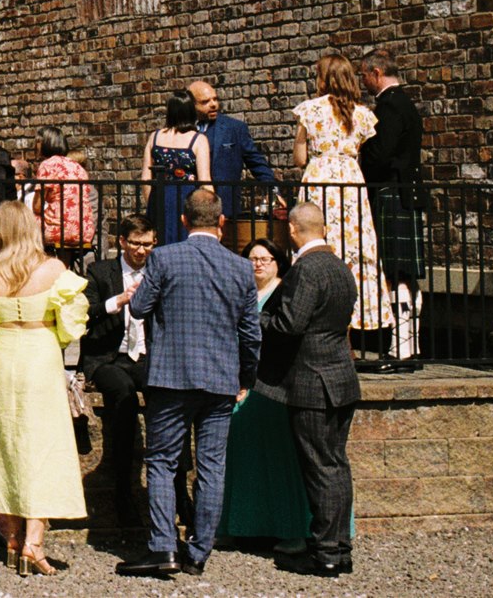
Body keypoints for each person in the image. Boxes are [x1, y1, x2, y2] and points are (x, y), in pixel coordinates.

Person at [114, 189, 261, 580]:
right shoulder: (241, 268)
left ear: (183, 220)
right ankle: (198, 552)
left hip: (171, 377)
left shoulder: (164, 257)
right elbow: (251, 334)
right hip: (219, 379)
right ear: (222, 222)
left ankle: (163, 546)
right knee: (212, 466)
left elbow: (141, 307)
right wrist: (245, 376)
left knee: (161, 462)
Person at [0, 200, 89, 575]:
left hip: (4, 356)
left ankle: (12, 536)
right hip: (40, 352)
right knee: (44, 446)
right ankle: (34, 541)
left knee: (5, 444)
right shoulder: (52, 269)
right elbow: (71, 323)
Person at [258, 202, 362, 579]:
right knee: (336, 464)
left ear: (293, 230)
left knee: (319, 467)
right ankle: (341, 548)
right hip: (341, 377)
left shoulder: (306, 269)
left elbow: (289, 324)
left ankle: (325, 552)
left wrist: (262, 316)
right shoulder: (340, 267)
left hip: (311, 381)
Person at [222, 238, 347, 552]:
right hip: (244, 386)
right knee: (244, 458)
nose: (259, 264)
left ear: (278, 262)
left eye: (265, 258)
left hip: (277, 385)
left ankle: (294, 528)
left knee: (289, 461)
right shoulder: (241, 293)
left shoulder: (286, 291)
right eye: (252, 258)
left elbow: (289, 331)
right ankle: (245, 526)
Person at [292, 53, 393, 334]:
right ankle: (356, 318)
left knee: (316, 240)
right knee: (355, 247)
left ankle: (316, 313)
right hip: (350, 181)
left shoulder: (310, 110)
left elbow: (299, 158)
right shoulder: (363, 115)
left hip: (320, 176)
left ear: (323, 78)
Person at [80, 215, 157, 523]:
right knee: (122, 395)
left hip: (146, 355)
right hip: (109, 356)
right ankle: (123, 487)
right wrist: (119, 301)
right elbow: (85, 314)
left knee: (165, 395)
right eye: (136, 244)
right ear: (122, 242)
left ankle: (175, 484)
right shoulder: (100, 272)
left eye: (148, 245)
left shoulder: (158, 271)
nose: (142, 251)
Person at [359, 50, 424, 358]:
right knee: (405, 273)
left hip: (391, 192)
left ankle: (401, 348)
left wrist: (360, 162)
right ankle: (410, 344)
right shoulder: (407, 104)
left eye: (364, 75)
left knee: (396, 271)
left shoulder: (389, 107)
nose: (363, 81)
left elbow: (381, 154)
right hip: (405, 191)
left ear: (377, 73)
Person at [190, 80, 277, 219]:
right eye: (205, 101)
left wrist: (273, 191)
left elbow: (256, 162)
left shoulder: (234, 128)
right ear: (191, 104)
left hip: (225, 206)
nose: (214, 104)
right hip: (190, 204)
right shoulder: (182, 130)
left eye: (215, 99)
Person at [143, 89, 211, 245]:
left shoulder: (155, 137)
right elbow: (205, 180)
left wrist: (152, 203)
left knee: (158, 243)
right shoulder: (198, 139)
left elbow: (146, 178)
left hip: (158, 195)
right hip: (186, 197)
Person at [31, 126, 96, 261]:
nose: (35, 146)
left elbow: (37, 206)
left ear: (45, 143)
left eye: (38, 142)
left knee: (27, 221)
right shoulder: (77, 166)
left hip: (60, 229)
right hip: (84, 229)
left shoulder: (47, 165)